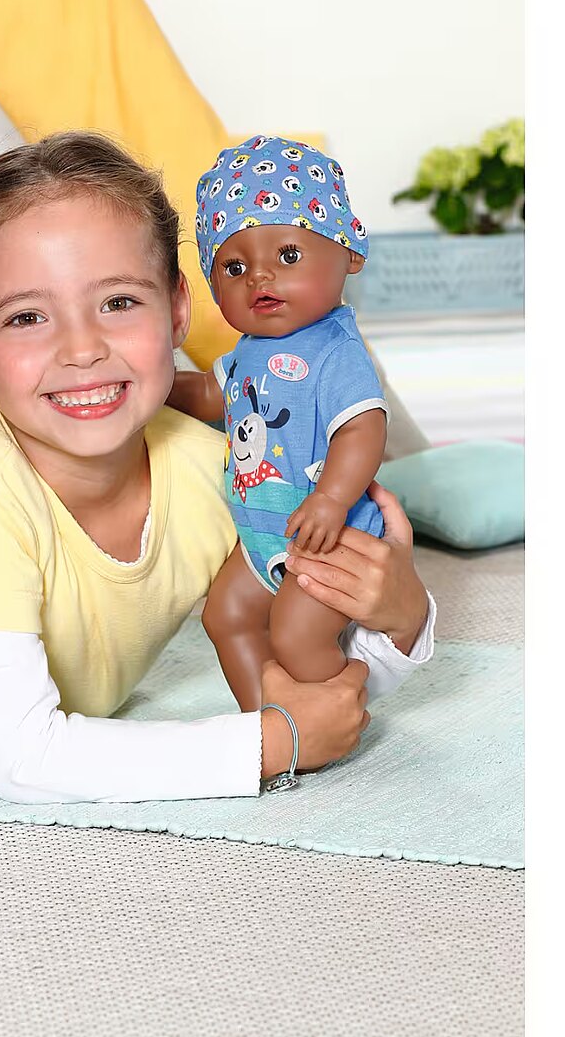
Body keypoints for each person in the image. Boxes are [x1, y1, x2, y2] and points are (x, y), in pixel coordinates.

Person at [0, 131, 436, 805]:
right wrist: (271, 744)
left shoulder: (216, 469)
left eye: (118, 302)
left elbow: (326, 694)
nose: (82, 349)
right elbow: (25, 760)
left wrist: (402, 617)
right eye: (27, 317)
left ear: (178, 307)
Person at [166, 136, 402, 712]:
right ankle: (268, 722)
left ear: (349, 255)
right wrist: (150, 385)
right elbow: (209, 395)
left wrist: (331, 499)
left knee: (297, 634)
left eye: (289, 256)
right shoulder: (246, 351)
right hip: (263, 532)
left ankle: (335, 717)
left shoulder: (335, 347)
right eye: (235, 266)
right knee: (226, 616)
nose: (260, 277)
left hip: (329, 535)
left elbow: (362, 427)